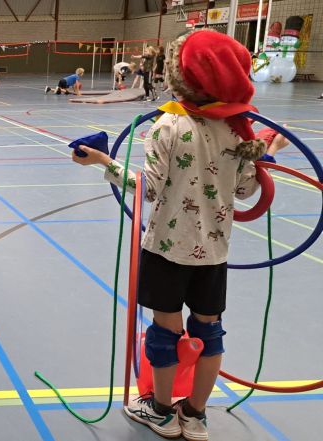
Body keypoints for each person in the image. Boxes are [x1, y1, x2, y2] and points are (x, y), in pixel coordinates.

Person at [71, 30, 290, 441]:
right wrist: (269, 153)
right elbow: (246, 191)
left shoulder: (168, 126)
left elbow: (147, 189)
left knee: (165, 331)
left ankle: (161, 412)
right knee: (210, 332)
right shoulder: (238, 131)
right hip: (214, 253)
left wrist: (102, 161)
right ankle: (195, 415)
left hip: (167, 251)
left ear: (181, 77)